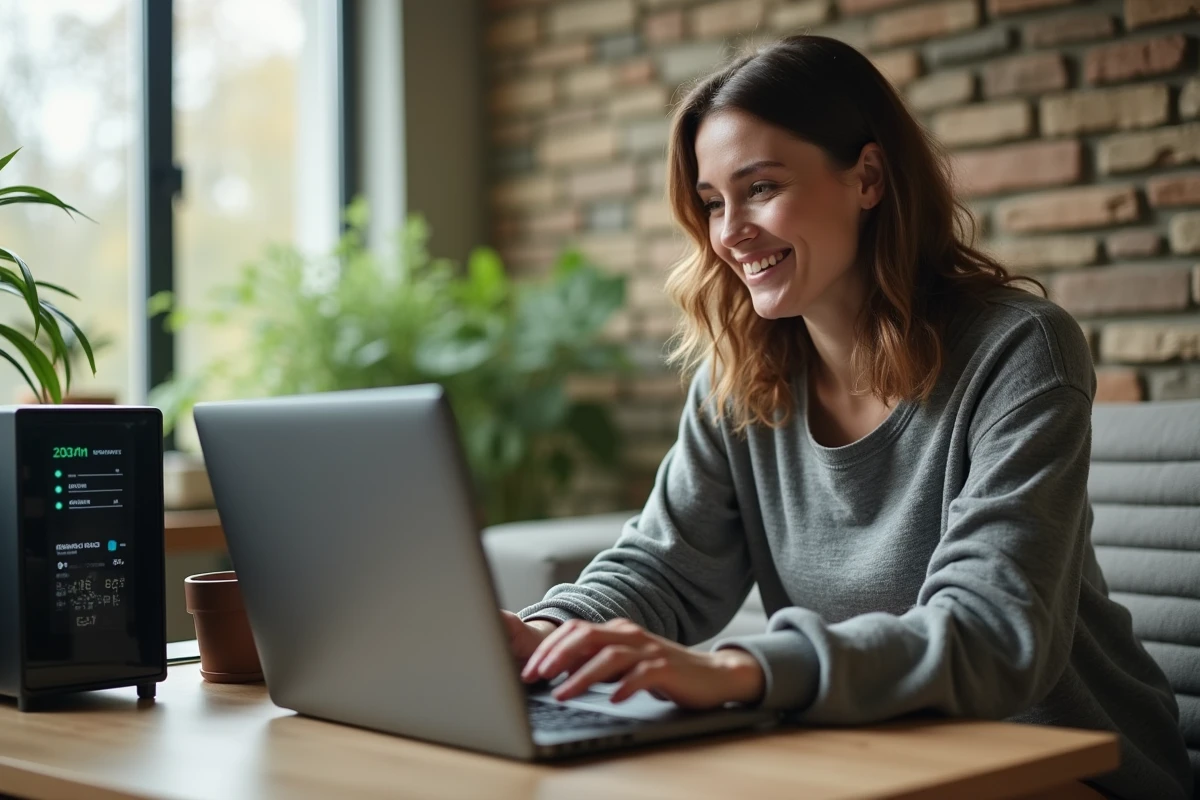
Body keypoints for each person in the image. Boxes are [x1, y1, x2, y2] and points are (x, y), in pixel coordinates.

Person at [500, 35, 1191, 800]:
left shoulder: (1019, 349)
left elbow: (992, 634)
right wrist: (543, 634)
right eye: (713, 202)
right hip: (874, 754)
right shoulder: (740, 378)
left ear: (867, 178)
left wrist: (740, 669)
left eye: (761, 188)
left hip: (1064, 765)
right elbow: (667, 565)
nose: (729, 232)